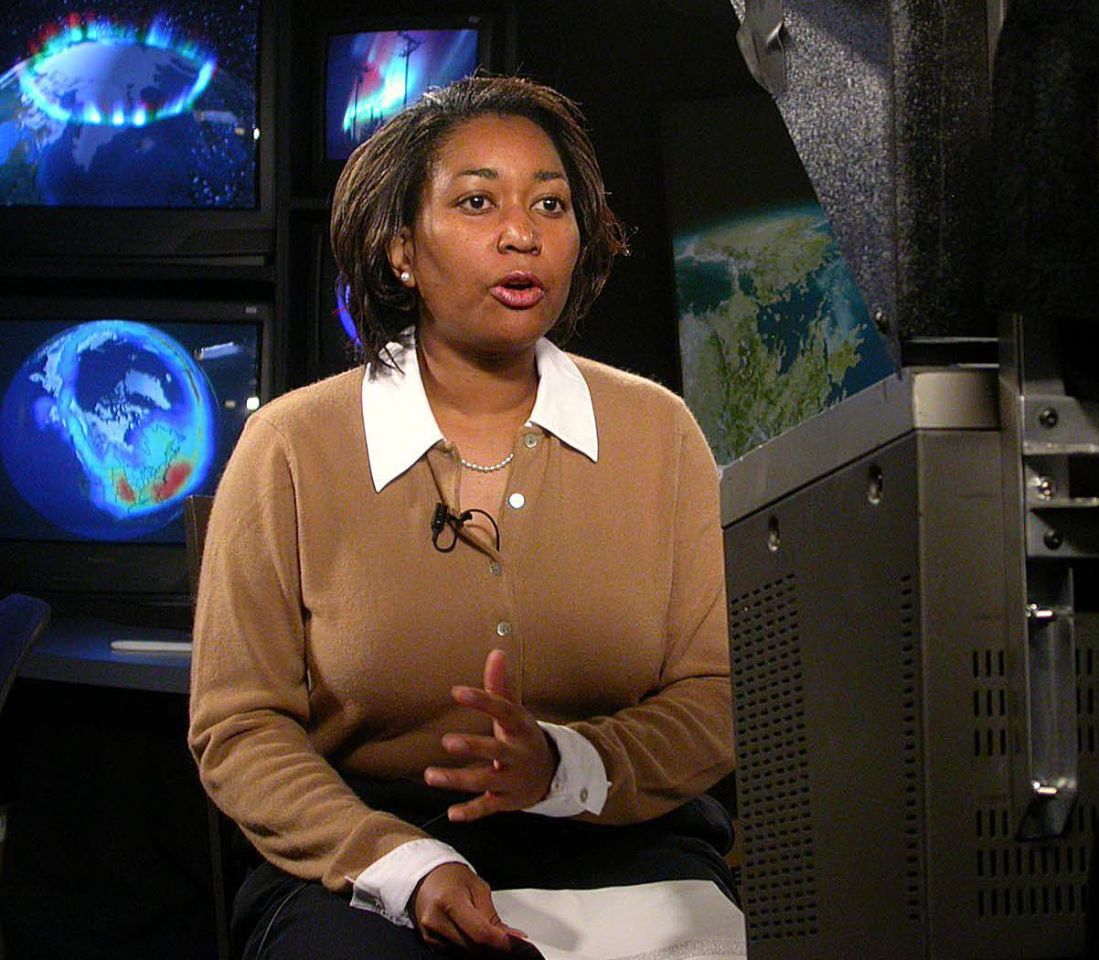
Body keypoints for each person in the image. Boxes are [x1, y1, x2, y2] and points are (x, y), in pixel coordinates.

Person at [187, 74, 737, 959]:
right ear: (402, 249)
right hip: (362, 856)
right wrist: (405, 864)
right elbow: (239, 728)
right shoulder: (288, 446)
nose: (522, 233)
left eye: (550, 205)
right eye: (478, 202)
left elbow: (719, 693)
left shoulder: (659, 433)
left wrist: (563, 766)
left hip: (621, 839)